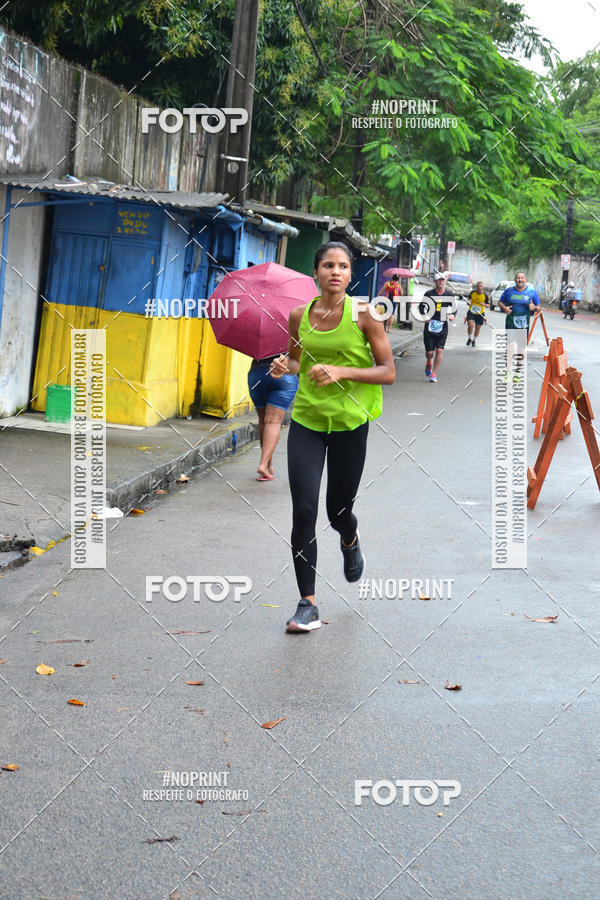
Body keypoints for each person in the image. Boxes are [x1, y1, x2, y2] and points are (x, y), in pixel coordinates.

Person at [270, 241, 395, 633]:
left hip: (349, 424)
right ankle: (306, 604)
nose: (335, 272)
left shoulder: (366, 315)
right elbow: (296, 360)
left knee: (337, 511)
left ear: (350, 273)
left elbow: (388, 371)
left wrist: (342, 371)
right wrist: (284, 366)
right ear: (316, 272)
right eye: (328, 265)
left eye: (342, 266)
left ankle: (350, 538)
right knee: (303, 509)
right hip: (307, 421)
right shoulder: (298, 315)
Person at [247, 356, 298, 481]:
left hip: (257, 374)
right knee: (273, 422)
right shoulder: (293, 342)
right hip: (284, 374)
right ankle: (263, 464)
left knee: (263, 420)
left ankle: (267, 465)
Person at [498, 272, 540, 380]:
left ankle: (517, 372)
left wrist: (534, 308)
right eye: (518, 278)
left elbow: (539, 308)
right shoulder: (509, 291)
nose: (520, 279)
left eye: (522, 278)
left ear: (525, 279)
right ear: (515, 280)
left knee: (521, 348)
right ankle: (508, 372)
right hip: (510, 322)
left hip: (524, 324)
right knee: (510, 347)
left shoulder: (531, 292)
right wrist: (505, 308)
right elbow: (500, 302)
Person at [421, 273, 456, 383]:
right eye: (438, 280)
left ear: (445, 281)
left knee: (440, 350)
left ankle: (434, 373)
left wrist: (453, 315)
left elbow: (454, 307)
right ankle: (429, 361)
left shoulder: (449, 294)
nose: (441, 282)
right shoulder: (429, 294)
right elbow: (421, 306)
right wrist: (425, 316)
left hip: (442, 326)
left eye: (442, 280)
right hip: (430, 325)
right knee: (430, 353)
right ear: (435, 281)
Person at [465, 280, 489, 346]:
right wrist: (468, 302)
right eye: (478, 286)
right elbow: (468, 299)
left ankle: (474, 340)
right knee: (470, 325)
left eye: (480, 286)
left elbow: (489, 305)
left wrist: (484, 304)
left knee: (477, 328)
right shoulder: (473, 292)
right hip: (471, 311)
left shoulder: (485, 295)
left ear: (482, 287)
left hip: (480, 313)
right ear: (476, 287)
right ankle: (469, 338)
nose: (479, 287)